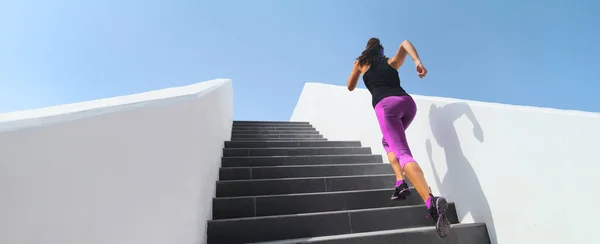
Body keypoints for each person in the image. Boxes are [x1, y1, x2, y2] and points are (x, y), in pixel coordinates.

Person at [346, 37, 451, 238]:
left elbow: (350, 86)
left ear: (367, 51)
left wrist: (355, 68)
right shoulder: (391, 62)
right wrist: (417, 62)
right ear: (381, 51)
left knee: (402, 152)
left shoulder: (361, 64)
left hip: (386, 107)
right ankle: (399, 182)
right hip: (407, 103)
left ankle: (431, 202)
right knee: (387, 142)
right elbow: (404, 43)